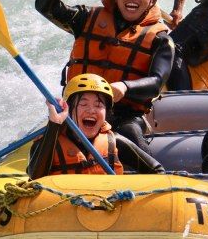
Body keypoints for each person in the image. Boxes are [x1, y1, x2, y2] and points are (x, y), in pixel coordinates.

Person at [35, 0, 174, 152]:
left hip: (125, 115)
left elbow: (157, 82)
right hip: (78, 111)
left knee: (129, 134)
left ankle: (152, 176)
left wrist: (125, 87)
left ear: (153, 0)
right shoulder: (86, 19)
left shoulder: (160, 38)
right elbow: (46, 7)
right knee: (52, 141)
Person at [27, 74, 165, 179]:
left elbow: (157, 171)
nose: (91, 110)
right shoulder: (49, 141)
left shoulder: (114, 141)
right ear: (69, 108)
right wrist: (54, 125)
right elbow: (36, 177)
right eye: (83, 104)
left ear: (107, 112)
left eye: (98, 105)